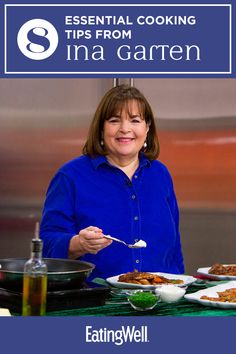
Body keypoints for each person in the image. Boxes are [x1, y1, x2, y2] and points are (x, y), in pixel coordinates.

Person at [40, 85, 184, 280]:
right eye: (114, 120)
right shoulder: (70, 176)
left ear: (147, 127)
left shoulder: (160, 174)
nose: (125, 129)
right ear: (101, 128)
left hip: (162, 299)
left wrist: (179, 287)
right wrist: (78, 243)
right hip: (95, 301)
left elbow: (174, 247)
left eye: (135, 120)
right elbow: (46, 244)